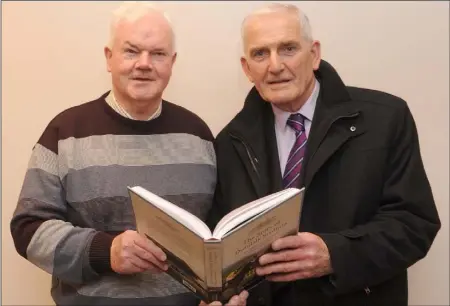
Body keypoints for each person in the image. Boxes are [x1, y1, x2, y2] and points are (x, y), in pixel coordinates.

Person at [10, 2, 247, 306]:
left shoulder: (198, 135)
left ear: (172, 62)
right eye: (131, 51)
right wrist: (104, 251)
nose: (144, 64)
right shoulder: (64, 131)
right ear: (109, 58)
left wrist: (221, 294)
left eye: (158, 53)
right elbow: (28, 230)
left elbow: (217, 238)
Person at [208, 3, 441, 306]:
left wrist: (334, 254)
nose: (275, 65)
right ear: (246, 68)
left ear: (314, 54)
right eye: (260, 53)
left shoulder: (385, 118)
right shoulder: (229, 143)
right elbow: (224, 245)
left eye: (288, 48)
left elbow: (415, 225)